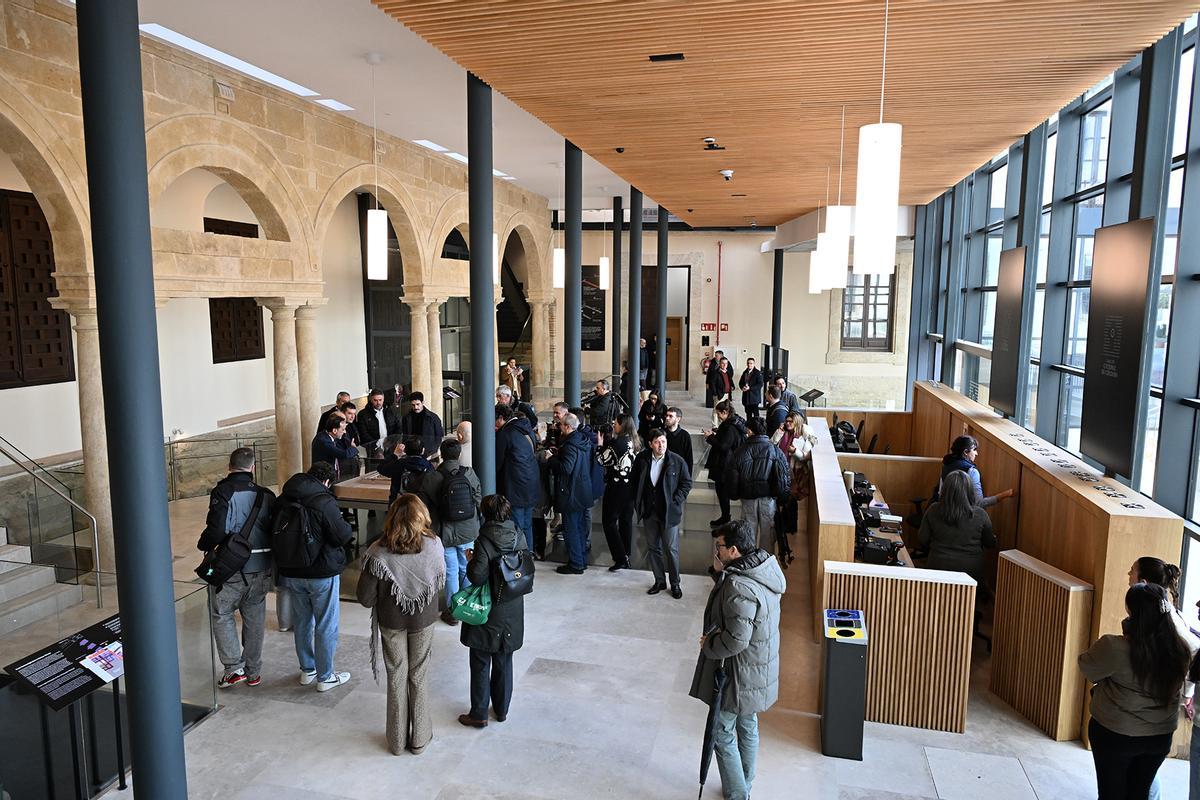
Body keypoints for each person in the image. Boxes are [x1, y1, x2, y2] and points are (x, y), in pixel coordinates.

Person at [690, 519, 785, 800]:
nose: (715, 551)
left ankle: (738, 794)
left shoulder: (738, 585)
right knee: (747, 722)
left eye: (719, 547)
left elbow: (736, 640)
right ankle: (744, 782)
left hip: (741, 671)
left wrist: (710, 645)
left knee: (721, 732)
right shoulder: (762, 567)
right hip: (757, 666)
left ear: (733, 550)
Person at [1078, 583, 1195, 799]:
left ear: (1133, 613)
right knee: (1140, 792)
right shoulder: (1180, 650)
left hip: (1115, 733)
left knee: (1111, 793)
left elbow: (1087, 667)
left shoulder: (1115, 647)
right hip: (1160, 737)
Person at [356, 494, 445, 755]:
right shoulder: (434, 545)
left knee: (396, 676)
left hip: (391, 621)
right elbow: (439, 583)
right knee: (418, 674)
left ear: (392, 517)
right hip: (423, 619)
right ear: (422, 516)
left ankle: (396, 741)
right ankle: (419, 738)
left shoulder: (377, 551)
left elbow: (365, 597)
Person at [197, 447, 276, 688]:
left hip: (231, 567)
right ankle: (253, 672)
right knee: (254, 617)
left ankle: (233, 669)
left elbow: (217, 530)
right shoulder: (267, 495)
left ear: (229, 466)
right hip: (262, 566)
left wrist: (204, 543)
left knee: (222, 614)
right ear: (253, 467)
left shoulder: (223, 491)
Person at [277, 461, 355, 692]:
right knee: (326, 624)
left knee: (302, 622)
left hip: (292, 570)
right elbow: (341, 535)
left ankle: (307, 669)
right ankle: (326, 676)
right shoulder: (323, 501)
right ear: (327, 481)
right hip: (321, 571)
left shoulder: (285, 496)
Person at [458, 495, 526, 728]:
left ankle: (479, 713)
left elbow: (477, 576)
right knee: (504, 660)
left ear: (484, 514)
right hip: (513, 606)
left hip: (489, 607)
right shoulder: (519, 534)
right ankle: (502, 709)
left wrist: (470, 560)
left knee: (480, 659)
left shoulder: (483, 541)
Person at [417, 438, 482, 626]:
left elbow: (423, 506)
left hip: (443, 532)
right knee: (466, 567)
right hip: (468, 531)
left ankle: (452, 612)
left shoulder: (432, 477)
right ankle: (467, 606)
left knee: (451, 571)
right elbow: (478, 498)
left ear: (442, 455)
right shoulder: (469, 474)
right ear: (459, 454)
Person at [631, 428, 693, 598]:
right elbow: (634, 481)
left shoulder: (676, 461)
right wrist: (638, 502)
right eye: (657, 442)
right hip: (649, 512)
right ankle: (659, 581)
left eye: (664, 442)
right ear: (650, 444)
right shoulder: (642, 459)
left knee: (671, 549)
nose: (661, 445)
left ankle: (675, 583)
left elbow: (686, 483)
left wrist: (676, 500)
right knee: (653, 548)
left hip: (669, 513)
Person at [917, 471, 996, 583]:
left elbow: (922, 539)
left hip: (938, 568)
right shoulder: (981, 514)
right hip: (970, 574)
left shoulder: (933, 510)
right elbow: (990, 543)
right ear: (969, 490)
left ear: (945, 490)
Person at [725, 416, 791, 552]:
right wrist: (783, 496)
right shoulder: (774, 450)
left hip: (747, 497)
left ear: (750, 431)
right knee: (768, 532)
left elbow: (733, 477)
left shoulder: (740, 451)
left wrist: (733, 494)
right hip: (768, 498)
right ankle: (764, 561)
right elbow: (783, 474)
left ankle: (749, 561)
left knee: (748, 532)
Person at [546, 412, 596, 575]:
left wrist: (551, 459)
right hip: (582, 490)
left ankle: (575, 564)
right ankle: (580, 560)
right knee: (579, 528)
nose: (558, 427)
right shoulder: (582, 440)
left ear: (568, 427)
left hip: (571, 493)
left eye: (560, 425)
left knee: (572, 529)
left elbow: (566, 468)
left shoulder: (570, 445)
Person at [597, 412, 637, 571]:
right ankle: (626, 552)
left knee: (609, 521)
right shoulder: (634, 440)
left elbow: (601, 459)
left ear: (622, 425)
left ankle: (620, 558)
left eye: (616, 423)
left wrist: (600, 445)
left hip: (616, 487)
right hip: (630, 487)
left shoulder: (618, 443)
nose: (614, 424)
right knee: (626, 520)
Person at [938, 435, 1014, 508]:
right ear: (965, 452)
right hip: (963, 516)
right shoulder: (972, 471)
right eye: (974, 450)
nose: (976, 453)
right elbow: (979, 503)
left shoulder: (946, 464)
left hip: (943, 512)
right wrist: (1004, 494)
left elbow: (940, 494)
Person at [704, 401, 747, 528]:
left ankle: (725, 516)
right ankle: (725, 516)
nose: (718, 417)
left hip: (725, 465)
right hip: (727, 463)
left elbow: (724, 446)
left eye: (719, 414)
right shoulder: (732, 423)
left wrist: (710, 437)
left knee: (722, 492)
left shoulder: (730, 427)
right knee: (722, 492)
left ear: (725, 412)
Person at [377, 435, 434, 505]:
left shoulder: (398, 464)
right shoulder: (428, 466)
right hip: (421, 504)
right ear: (423, 450)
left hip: (399, 503)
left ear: (405, 450)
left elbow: (380, 468)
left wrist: (395, 455)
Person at [310, 412, 359, 479]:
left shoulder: (327, 435)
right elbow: (344, 454)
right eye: (343, 429)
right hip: (323, 477)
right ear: (334, 430)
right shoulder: (324, 441)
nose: (344, 432)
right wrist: (353, 448)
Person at [400, 391, 445, 458]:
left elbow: (439, 435)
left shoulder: (434, 418)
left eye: (418, 404)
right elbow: (405, 435)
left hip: (428, 452)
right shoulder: (406, 418)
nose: (415, 407)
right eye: (413, 405)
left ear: (423, 402)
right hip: (411, 452)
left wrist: (433, 450)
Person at [664, 406, 694, 476]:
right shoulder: (662, 433)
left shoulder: (685, 435)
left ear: (678, 419)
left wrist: (688, 477)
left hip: (679, 472)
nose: (667, 418)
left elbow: (689, 458)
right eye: (667, 415)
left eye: (670, 416)